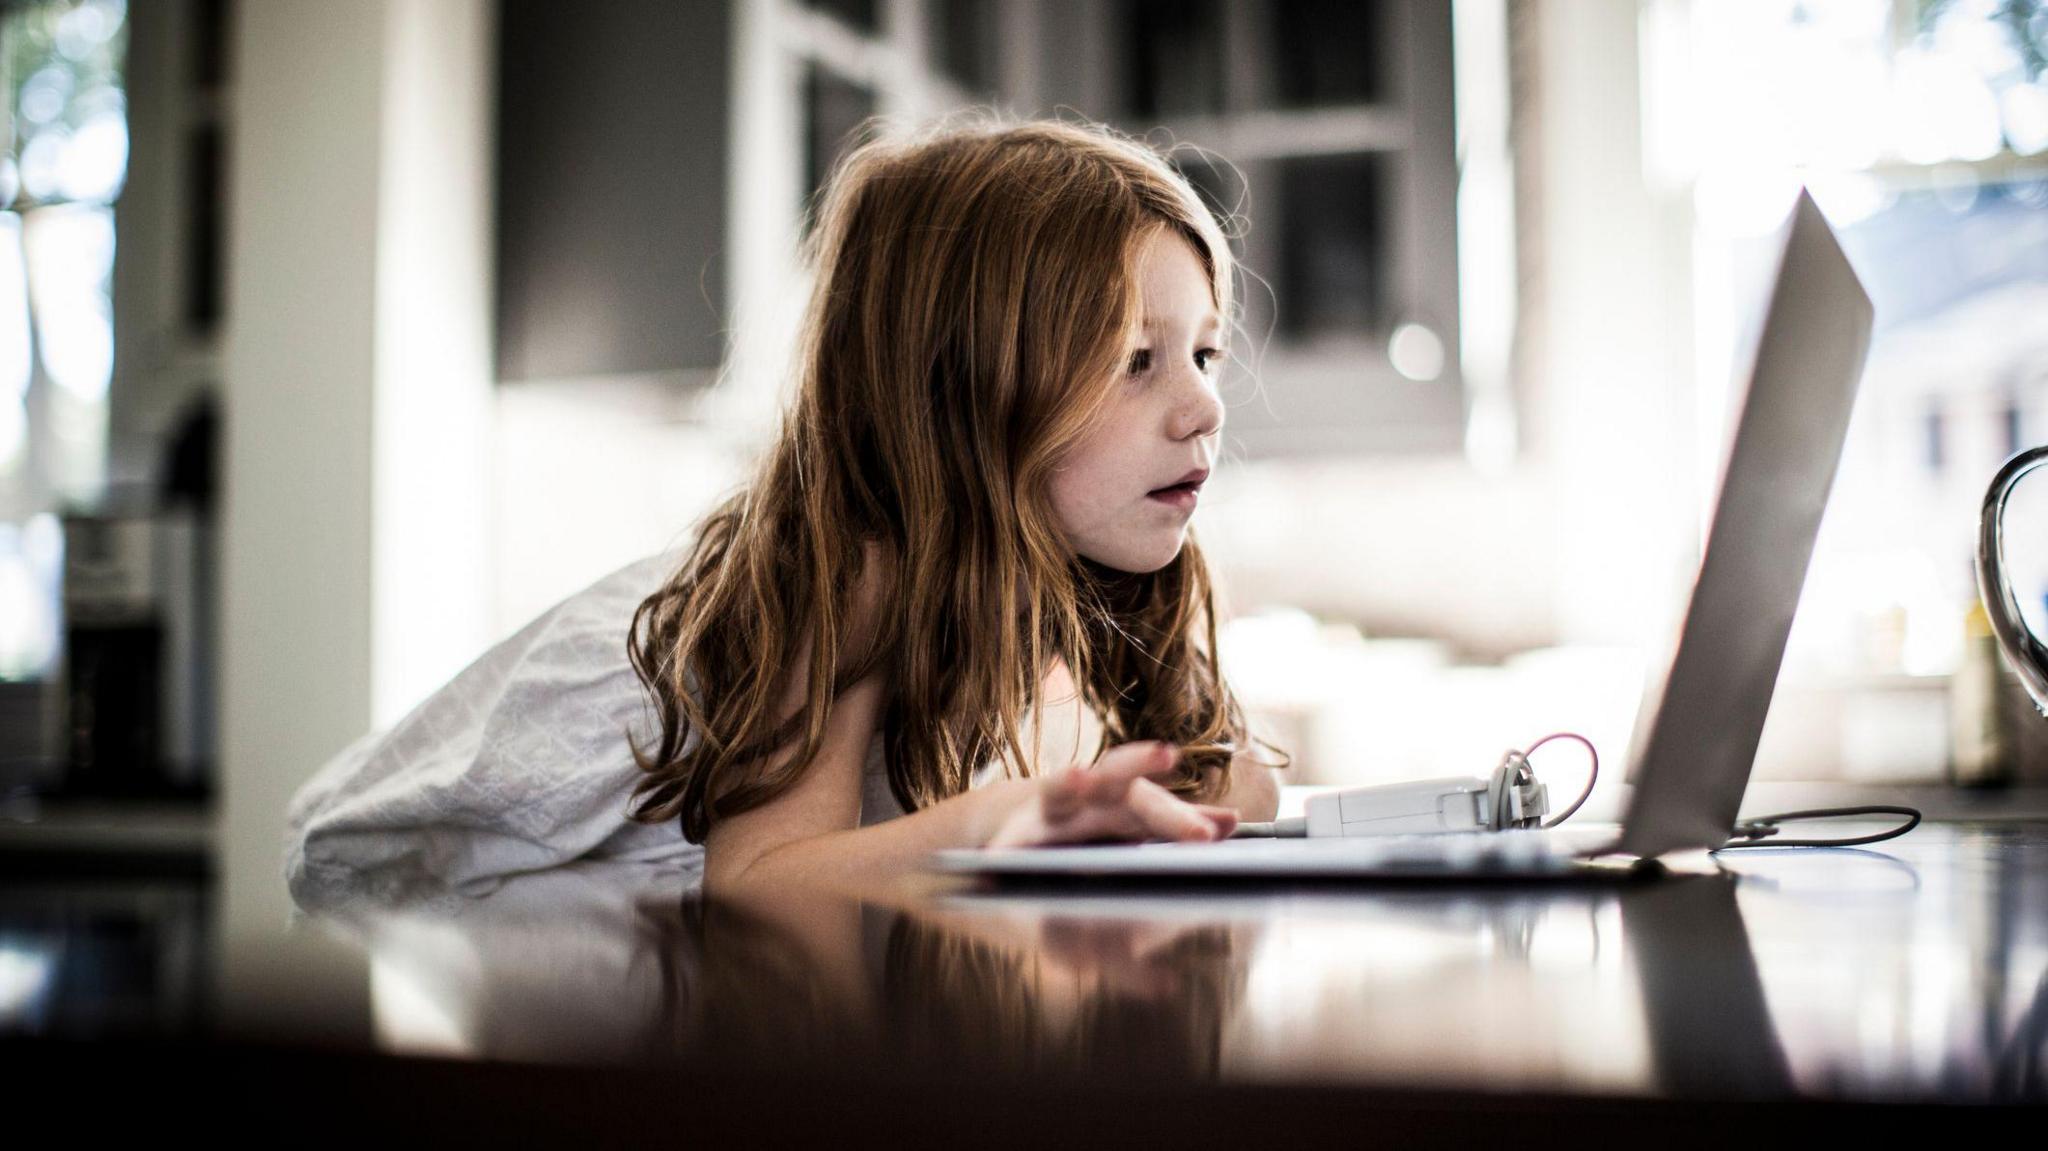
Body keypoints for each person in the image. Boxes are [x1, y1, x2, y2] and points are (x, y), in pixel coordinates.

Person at [284, 114, 1287, 908]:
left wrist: (1196, 792)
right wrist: (998, 819)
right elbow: (760, 875)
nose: (1203, 403)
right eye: (1133, 360)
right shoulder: (848, 570)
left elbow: (1208, 785)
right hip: (416, 893)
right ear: (960, 392)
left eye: (1202, 351)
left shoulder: (1075, 579)